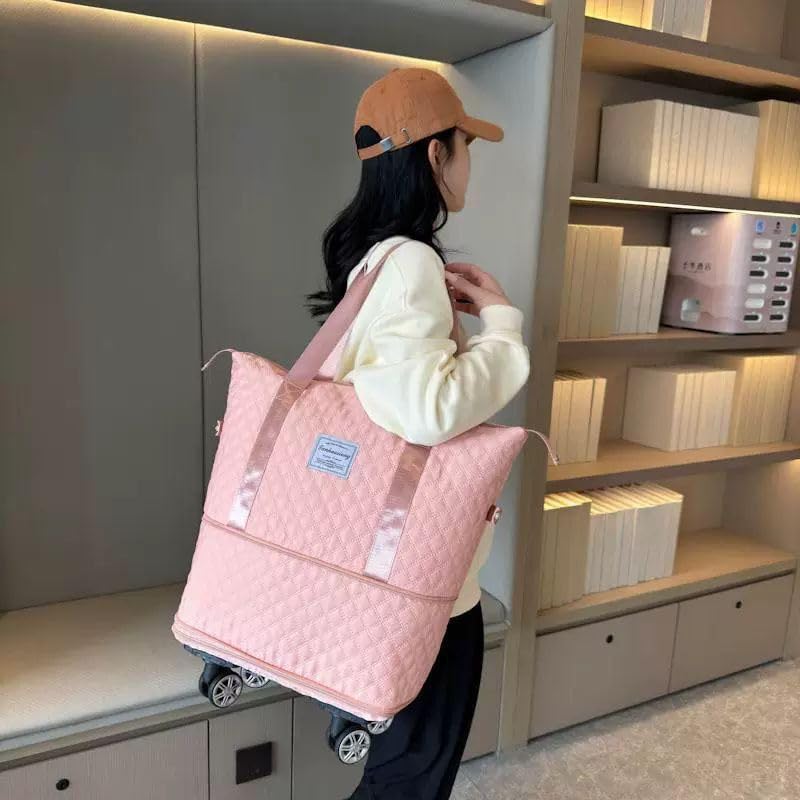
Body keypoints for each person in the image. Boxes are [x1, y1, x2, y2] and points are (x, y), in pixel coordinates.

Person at [305, 67, 531, 800]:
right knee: (410, 780)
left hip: (381, 563)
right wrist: (501, 325)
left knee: (400, 773)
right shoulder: (408, 263)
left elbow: (395, 395)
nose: (468, 163)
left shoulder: (373, 258)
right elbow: (428, 411)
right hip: (420, 581)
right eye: (466, 146)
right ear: (436, 153)